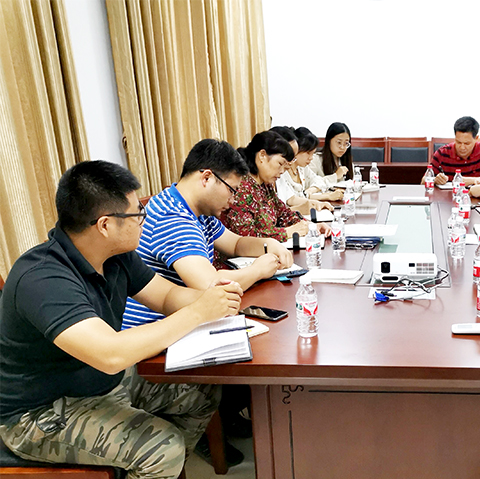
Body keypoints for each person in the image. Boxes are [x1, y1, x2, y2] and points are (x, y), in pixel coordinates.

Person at [0, 161, 245, 479]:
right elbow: (110, 353)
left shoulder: (114, 256)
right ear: (105, 224)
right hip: (39, 414)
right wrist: (197, 313)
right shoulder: (43, 277)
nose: (145, 217)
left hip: (97, 386)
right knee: (163, 447)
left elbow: (165, 295)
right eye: (137, 212)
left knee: (200, 389)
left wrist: (213, 300)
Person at [122, 138, 292, 329]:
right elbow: (211, 287)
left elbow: (236, 244)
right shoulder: (172, 217)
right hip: (156, 329)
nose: (233, 200)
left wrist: (269, 243)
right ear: (207, 178)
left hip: (182, 319)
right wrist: (257, 270)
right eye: (231, 190)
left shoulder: (197, 210)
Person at [220, 131, 331, 246]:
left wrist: (310, 226)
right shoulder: (241, 187)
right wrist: (287, 232)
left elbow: (283, 213)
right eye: (280, 164)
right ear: (262, 156)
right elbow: (246, 237)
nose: (282, 171)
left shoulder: (265, 185)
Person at [275, 126, 341, 210]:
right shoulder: (281, 173)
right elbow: (288, 203)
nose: (311, 158)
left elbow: (292, 198)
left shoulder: (301, 168)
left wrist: (314, 199)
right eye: (308, 153)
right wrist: (325, 197)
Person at [428, 116, 480, 186]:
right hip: (450, 192)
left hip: (477, 192)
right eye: (458, 142)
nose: (462, 147)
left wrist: (471, 181)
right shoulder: (442, 153)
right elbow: (424, 180)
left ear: (476, 138)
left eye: (467, 143)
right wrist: (435, 180)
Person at [309, 122, 353, 190]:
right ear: (329, 141)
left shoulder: (346, 161)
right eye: (339, 142)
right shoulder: (315, 160)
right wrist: (335, 176)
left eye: (346, 143)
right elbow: (310, 184)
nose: (342, 147)